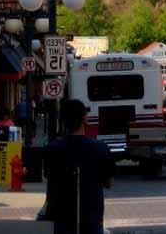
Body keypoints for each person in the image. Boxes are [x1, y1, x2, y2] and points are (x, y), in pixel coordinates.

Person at [45, 99, 116, 234]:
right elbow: (109, 182)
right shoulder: (100, 148)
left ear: (63, 120)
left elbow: (50, 181)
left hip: (62, 217)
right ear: (85, 118)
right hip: (92, 216)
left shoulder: (52, 149)